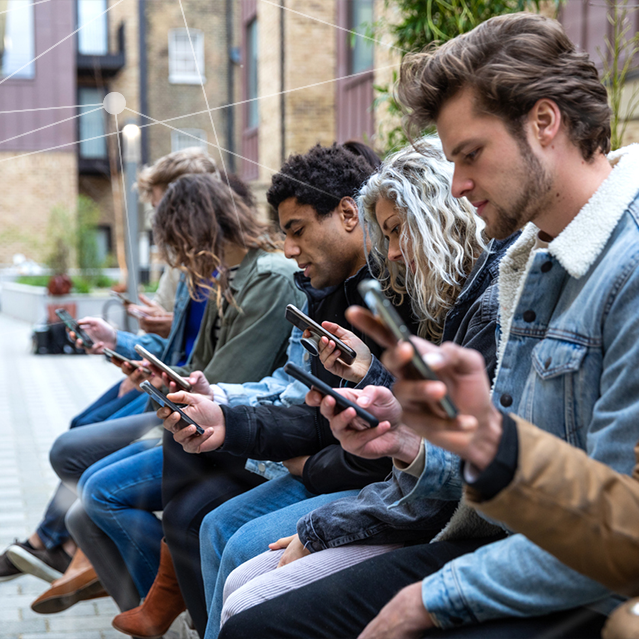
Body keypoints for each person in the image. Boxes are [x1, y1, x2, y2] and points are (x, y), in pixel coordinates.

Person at [219, 12, 639, 639]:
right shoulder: (535, 256)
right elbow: (534, 479)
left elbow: (618, 536)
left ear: (545, 123)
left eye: (471, 155)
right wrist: (414, 441)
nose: (460, 185)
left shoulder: (623, 266)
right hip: (506, 539)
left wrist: (432, 598)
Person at [213, 139, 513, 634]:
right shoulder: (444, 299)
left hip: (434, 513)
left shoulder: (468, 299)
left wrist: (320, 508)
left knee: (242, 566)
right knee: (233, 552)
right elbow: (417, 434)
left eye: (398, 232)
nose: (393, 252)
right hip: (408, 495)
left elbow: (447, 463)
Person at [121, 142, 392, 638]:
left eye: (297, 231)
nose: (289, 250)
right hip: (332, 459)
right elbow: (312, 408)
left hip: (366, 479)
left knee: (209, 524)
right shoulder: (326, 290)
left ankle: (168, 600)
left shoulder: (373, 294)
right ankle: (167, 600)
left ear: (349, 215)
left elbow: (381, 446)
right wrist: (224, 414)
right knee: (187, 490)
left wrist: (243, 423)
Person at [50, 172, 303, 618]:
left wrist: (167, 377)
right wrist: (131, 352)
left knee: (95, 487)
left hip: (231, 429)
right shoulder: (209, 278)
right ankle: (146, 596)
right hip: (198, 412)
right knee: (79, 468)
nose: (170, 256)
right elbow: (187, 365)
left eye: (173, 240)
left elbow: (222, 381)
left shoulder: (267, 279)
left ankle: (165, 600)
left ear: (195, 228)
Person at [0, 147, 219, 589]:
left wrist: (156, 355)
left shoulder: (221, 273)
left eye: (165, 209)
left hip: (190, 398)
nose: (161, 226)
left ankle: (62, 546)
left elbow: (208, 362)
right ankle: (64, 546)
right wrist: (120, 341)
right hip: (166, 380)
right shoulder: (189, 270)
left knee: (78, 452)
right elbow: (175, 344)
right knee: (80, 428)